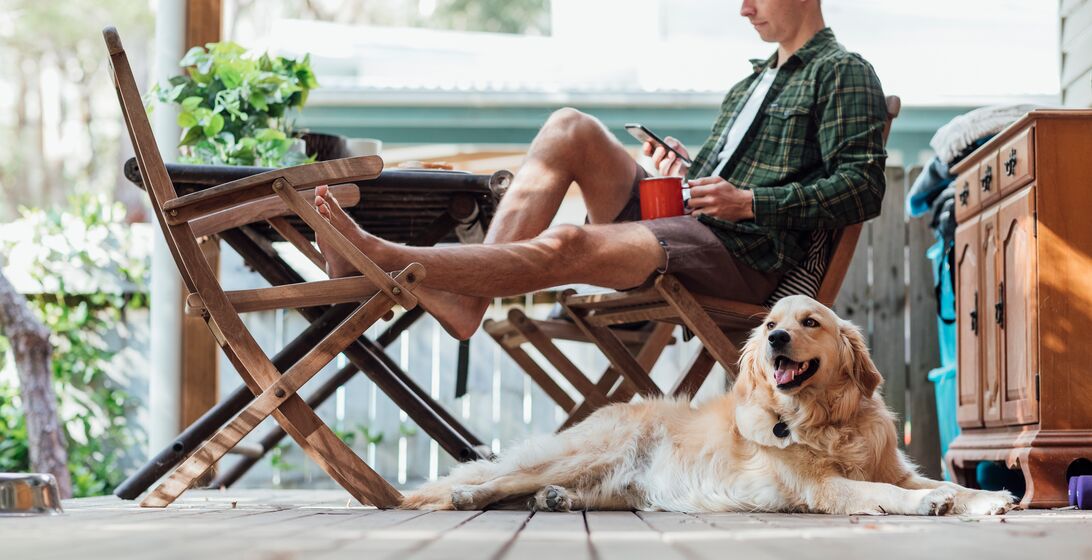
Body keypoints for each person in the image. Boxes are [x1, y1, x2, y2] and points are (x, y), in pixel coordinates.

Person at [315, 0, 888, 340]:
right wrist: (682, 168)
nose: (742, 8)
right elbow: (717, 180)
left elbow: (861, 188)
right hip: (690, 221)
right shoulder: (749, 82)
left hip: (743, 251)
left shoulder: (841, 72)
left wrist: (750, 203)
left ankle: (387, 259)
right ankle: (467, 302)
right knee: (571, 127)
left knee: (568, 241)